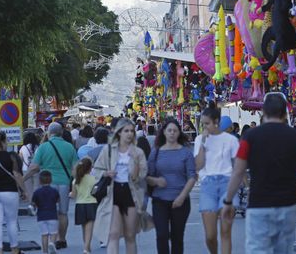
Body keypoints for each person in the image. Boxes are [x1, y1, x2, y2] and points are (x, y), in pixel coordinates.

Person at [221, 93, 296, 253]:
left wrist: (228, 201)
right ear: (284, 113)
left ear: (263, 113)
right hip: (288, 206)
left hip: (259, 204)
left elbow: (238, 172)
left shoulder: (250, 137)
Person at [92, 118, 147, 254]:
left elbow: (141, 176)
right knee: (113, 234)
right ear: (119, 133)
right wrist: (106, 173)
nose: (129, 134)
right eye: (126, 131)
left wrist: (135, 163)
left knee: (130, 235)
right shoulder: (109, 150)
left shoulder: (138, 152)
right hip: (113, 191)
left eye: (132, 131)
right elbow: (97, 170)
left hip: (131, 193)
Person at [24, 122, 78, 250]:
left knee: (50, 211)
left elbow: (34, 167)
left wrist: (23, 179)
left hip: (48, 184)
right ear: (61, 133)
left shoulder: (43, 147)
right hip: (64, 183)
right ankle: (61, 240)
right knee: (63, 213)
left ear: (49, 133)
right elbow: (76, 168)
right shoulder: (69, 147)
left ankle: (49, 238)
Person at [194, 102, 240, 254]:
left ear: (216, 122)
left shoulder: (231, 140)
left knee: (226, 231)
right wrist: (203, 144)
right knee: (210, 235)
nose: (204, 127)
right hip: (208, 185)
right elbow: (198, 166)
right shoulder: (200, 139)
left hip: (227, 183)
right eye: (202, 124)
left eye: (207, 123)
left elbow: (237, 165)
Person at [146, 119, 197, 254]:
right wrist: (156, 181)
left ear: (179, 132)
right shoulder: (156, 152)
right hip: (159, 200)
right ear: (164, 132)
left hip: (180, 201)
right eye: (169, 130)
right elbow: (146, 177)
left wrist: (182, 196)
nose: (172, 133)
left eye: (175, 130)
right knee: (161, 235)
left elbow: (192, 176)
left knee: (177, 237)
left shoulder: (185, 152)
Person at [70, 158, 98, 254]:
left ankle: (87, 247)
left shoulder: (76, 180)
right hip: (91, 204)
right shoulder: (94, 179)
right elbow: (96, 192)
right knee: (89, 228)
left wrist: (70, 194)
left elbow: (73, 195)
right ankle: (86, 248)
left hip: (80, 205)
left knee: (83, 228)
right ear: (90, 168)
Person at [32, 171, 59, 254]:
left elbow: (34, 203)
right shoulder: (54, 191)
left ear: (40, 181)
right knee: (54, 233)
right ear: (51, 180)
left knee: (44, 235)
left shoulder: (37, 192)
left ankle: (45, 252)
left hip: (41, 216)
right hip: (52, 215)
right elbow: (58, 200)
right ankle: (52, 243)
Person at [19, 132, 40, 207]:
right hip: (36, 169)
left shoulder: (23, 148)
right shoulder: (38, 147)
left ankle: (32, 204)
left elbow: (20, 160)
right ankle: (37, 203)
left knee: (29, 189)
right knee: (36, 187)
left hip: (25, 170)